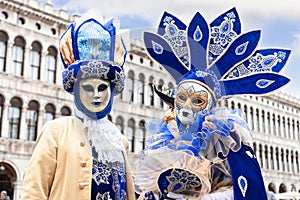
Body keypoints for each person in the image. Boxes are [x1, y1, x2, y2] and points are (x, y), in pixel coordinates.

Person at [134, 7, 291, 200]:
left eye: (197, 101)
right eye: (182, 98)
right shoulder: (165, 139)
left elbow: (244, 189)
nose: (187, 107)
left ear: (209, 107)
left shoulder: (224, 140)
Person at [20, 17, 135, 199]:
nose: (96, 95)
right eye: (88, 88)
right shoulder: (55, 132)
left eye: (102, 88)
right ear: (76, 91)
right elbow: (34, 190)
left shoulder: (119, 139)